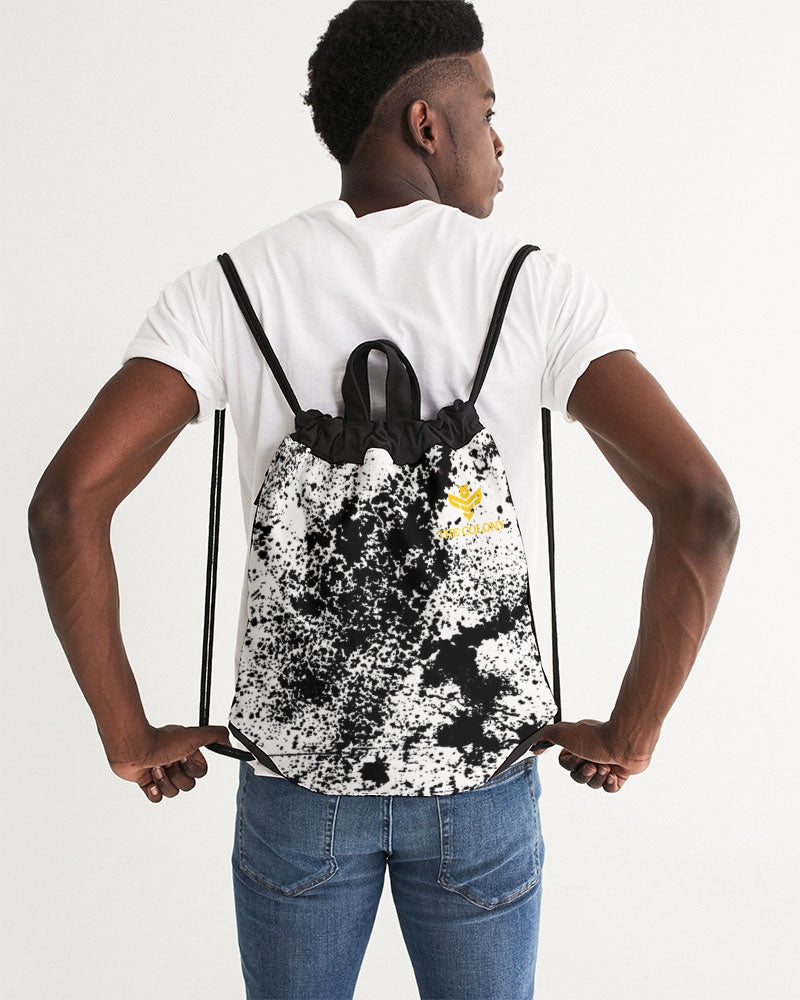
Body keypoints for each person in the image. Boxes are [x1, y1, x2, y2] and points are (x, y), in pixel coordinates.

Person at [27, 2, 739, 998]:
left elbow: (66, 504)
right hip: (479, 783)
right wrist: (631, 730)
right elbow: (702, 508)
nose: (500, 141)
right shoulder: (534, 288)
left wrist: (126, 733)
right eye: (487, 111)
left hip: (296, 790)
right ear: (424, 124)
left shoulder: (227, 289)